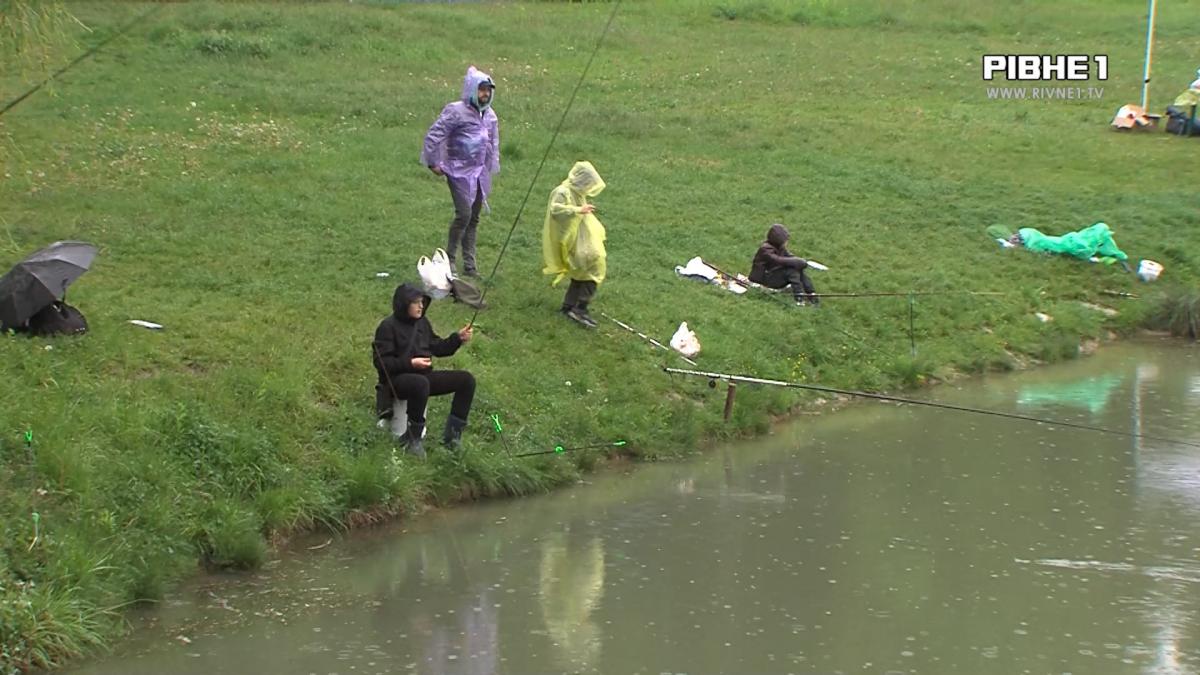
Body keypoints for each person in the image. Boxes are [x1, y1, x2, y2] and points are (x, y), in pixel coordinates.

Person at [372, 283, 475, 458]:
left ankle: (453, 436)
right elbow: (382, 363)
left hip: (423, 377)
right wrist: (411, 364)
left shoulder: (422, 323)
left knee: (466, 380)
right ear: (404, 304)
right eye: (416, 302)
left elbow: (438, 347)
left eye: (422, 302)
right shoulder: (387, 327)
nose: (421, 306)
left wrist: (457, 339)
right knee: (420, 383)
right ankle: (413, 439)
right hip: (396, 382)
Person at [421, 66, 500, 278]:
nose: (485, 94)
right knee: (464, 215)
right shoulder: (456, 111)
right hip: (458, 171)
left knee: (473, 218)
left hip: (479, 173)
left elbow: (492, 143)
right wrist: (433, 162)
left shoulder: (490, 116)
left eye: (488, 90)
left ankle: (470, 265)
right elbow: (434, 134)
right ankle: (449, 260)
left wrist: (489, 166)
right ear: (472, 89)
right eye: (481, 89)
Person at [542, 161, 607, 328]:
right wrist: (578, 210)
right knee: (593, 267)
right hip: (572, 240)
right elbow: (556, 210)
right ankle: (580, 308)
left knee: (582, 272)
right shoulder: (562, 192)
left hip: (580, 238)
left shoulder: (576, 193)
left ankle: (569, 306)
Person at [748, 223, 819, 306]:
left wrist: (800, 261)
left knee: (798, 269)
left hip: (772, 275)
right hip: (763, 279)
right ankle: (799, 297)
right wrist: (796, 262)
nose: (786, 243)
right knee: (792, 271)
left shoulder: (779, 247)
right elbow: (778, 260)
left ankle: (811, 293)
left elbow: (789, 256)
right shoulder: (765, 249)